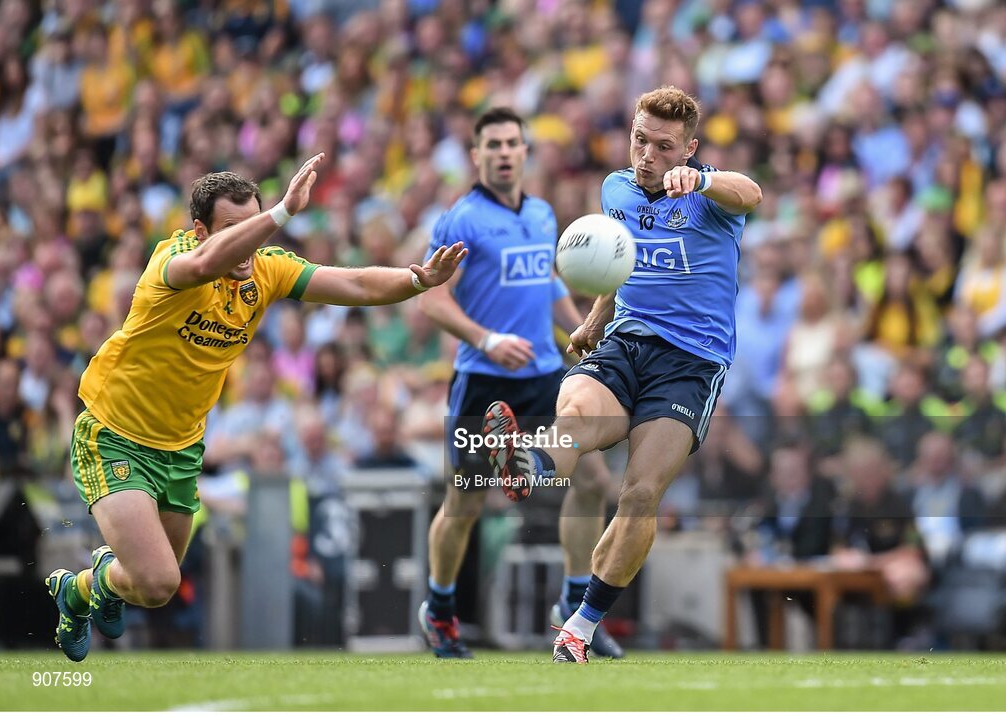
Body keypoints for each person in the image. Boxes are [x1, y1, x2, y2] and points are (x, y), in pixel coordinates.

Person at [45, 155, 466, 662]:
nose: (248, 243)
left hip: (179, 446)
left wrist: (418, 280)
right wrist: (282, 214)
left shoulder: (265, 271)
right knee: (157, 582)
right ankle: (84, 589)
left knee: (153, 580)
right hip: (114, 432)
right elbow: (205, 264)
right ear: (199, 230)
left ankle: (91, 587)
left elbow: (353, 285)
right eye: (232, 229)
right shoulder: (173, 262)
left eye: (253, 227)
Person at [485, 86, 762, 662]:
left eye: (664, 146)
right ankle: (525, 467)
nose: (647, 155)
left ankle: (580, 627)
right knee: (576, 415)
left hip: (691, 363)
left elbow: (751, 192)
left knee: (639, 493)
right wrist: (592, 319)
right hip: (626, 342)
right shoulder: (615, 189)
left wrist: (704, 181)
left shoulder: (711, 195)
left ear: (689, 148)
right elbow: (622, 263)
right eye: (640, 139)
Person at [417, 107, 619, 659]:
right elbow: (432, 296)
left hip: (545, 376)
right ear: (477, 155)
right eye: (494, 144)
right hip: (483, 381)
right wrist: (486, 340)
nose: (505, 152)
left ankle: (574, 609)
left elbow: (546, 279)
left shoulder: (542, 214)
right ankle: (439, 611)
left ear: (526, 151)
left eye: (513, 143)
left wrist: (575, 327)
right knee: (466, 504)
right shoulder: (461, 220)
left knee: (594, 481)